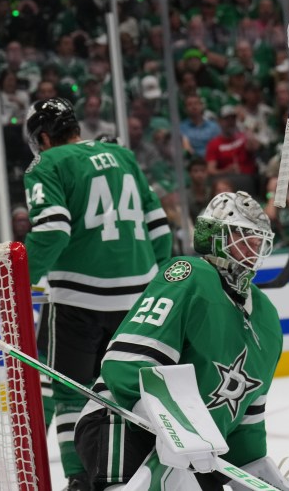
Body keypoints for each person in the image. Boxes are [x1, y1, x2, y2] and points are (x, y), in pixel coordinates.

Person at [74, 191, 289, 491]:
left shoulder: (266, 318)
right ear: (213, 235)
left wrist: (263, 478)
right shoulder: (189, 275)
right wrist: (183, 432)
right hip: (128, 424)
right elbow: (127, 365)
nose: (253, 245)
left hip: (200, 454)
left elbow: (246, 427)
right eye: (242, 235)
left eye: (258, 239)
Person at [22, 97, 172, 489]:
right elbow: (159, 227)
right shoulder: (121, 155)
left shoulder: (48, 165)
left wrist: (20, 279)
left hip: (77, 299)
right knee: (125, 390)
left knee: (68, 392)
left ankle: (79, 480)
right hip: (136, 301)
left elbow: (53, 230)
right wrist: (153, 285)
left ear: (42, 137)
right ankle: (144, 473)